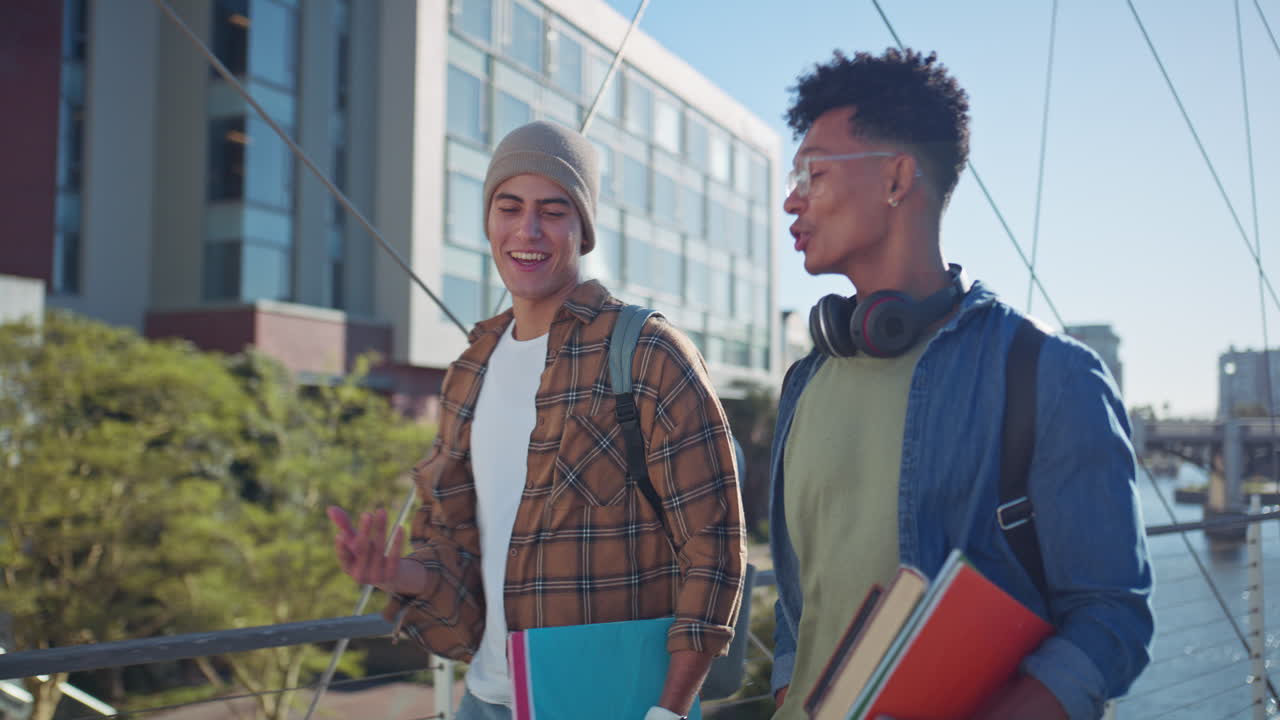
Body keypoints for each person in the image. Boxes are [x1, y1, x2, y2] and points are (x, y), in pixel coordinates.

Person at [768, 49, 1153, 720]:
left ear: (896, 179)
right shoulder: (804, 381)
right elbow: (802, 612)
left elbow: (1112, 620)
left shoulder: (1051, 376)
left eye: (812, 172)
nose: (790, 197)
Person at [328, 121, 746, 720]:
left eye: (553, 210)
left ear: (584, 229)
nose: (527, 230)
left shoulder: (648, 352)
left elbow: (716, 548)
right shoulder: (468, 372)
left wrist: (669, 712)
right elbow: (458, 554)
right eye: (509, 207)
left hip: (609, 703)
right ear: (489, 220)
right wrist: (400, 573)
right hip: (485, 699)